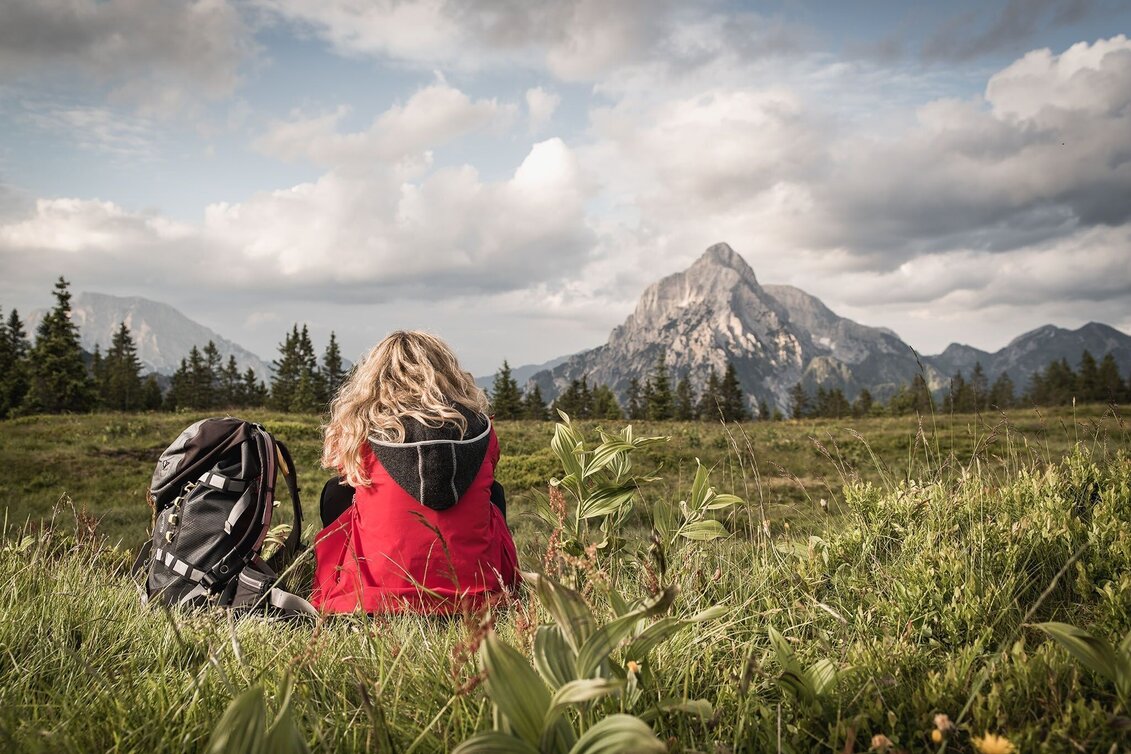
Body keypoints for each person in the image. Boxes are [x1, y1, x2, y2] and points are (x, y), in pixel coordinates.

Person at [311, 331, 519, 614]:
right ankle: (496, 577)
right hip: (477, 598)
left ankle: (345, 576)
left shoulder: (359, 428)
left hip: (375, 602)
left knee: (338, 489)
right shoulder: (481, 429)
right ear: (446, 373)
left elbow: (344, 471)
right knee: (492, 492)